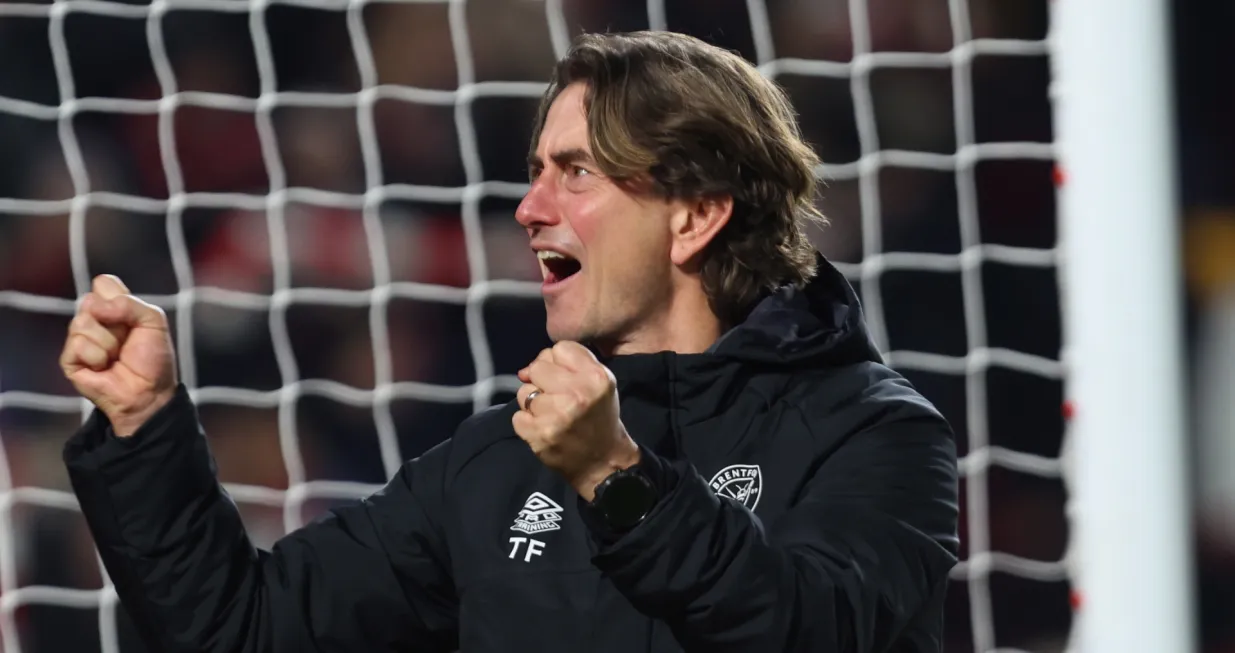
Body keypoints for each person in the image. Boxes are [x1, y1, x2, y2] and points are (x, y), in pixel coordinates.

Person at [59, 31, 959, 652]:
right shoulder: (495, 459)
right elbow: (241, 628)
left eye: (576, 173)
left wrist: (617, 483)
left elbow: (810, 629)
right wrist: (145, 430)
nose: (531, 209)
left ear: (693, 215)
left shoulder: (873, 433)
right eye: (535, 173)